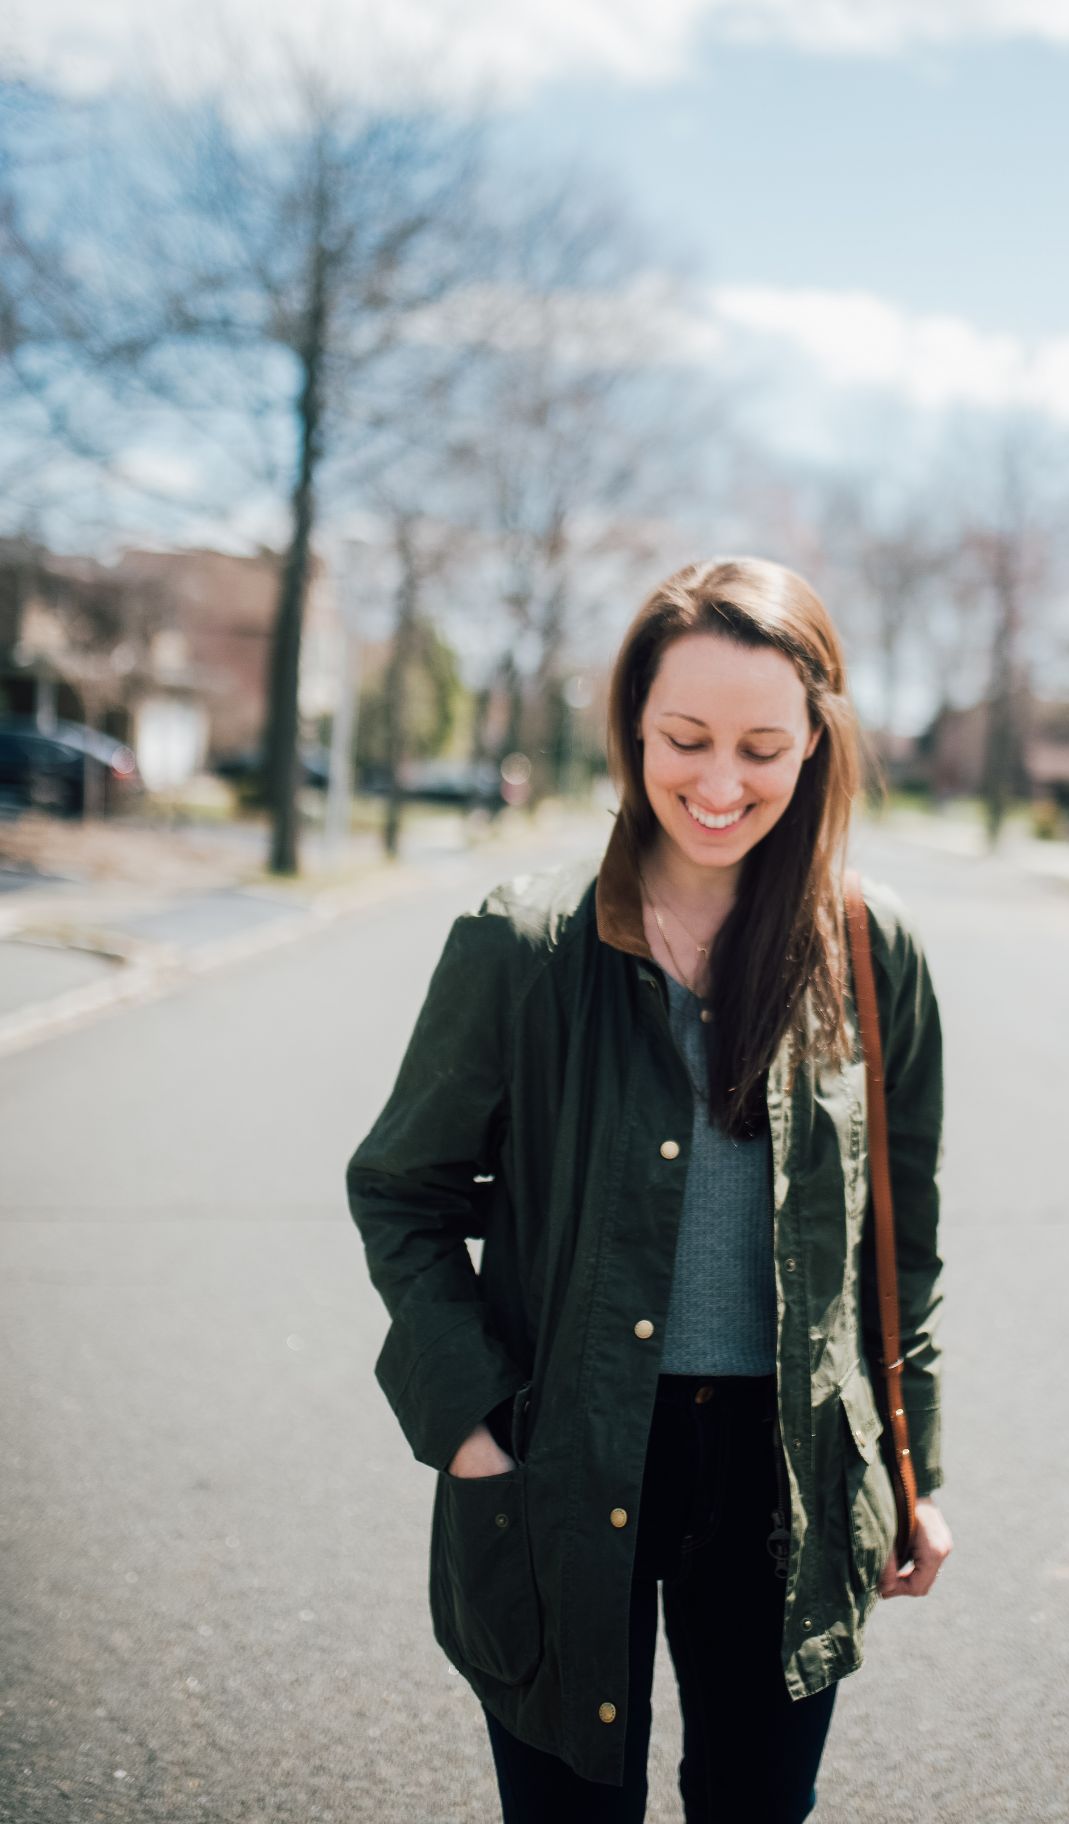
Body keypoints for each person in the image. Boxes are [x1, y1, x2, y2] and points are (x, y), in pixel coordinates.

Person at [345, 555, 952, 1823]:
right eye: (685, 738)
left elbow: (902, 1241)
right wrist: (466, 1425)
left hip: (787, 1466)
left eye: (761, 747)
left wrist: (912, 1463)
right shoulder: (521, 945)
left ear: (815, 747)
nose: (719, 784)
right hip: (559, 1451)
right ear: (631, 725)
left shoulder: (868, 947)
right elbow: (402, 1189)